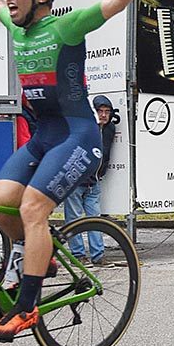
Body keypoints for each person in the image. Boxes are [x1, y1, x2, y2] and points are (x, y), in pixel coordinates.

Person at [0, 0, 173, 340]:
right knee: (1, 203)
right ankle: (37, 254)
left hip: (78, 135)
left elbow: (112, 3)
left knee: (33, 208)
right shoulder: (16, 26)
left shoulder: (65, 26)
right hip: (43, 137)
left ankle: (28, 307)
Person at [65, 95, 117, 265]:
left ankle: (98, 255)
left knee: (95, 219)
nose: (103, 115)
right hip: (76, 181)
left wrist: (101, 173)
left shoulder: (109, 129)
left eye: (107, 111)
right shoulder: (84, 128)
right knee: (74, 219)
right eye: (100, 111)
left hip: (94, 181)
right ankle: (78, 255)